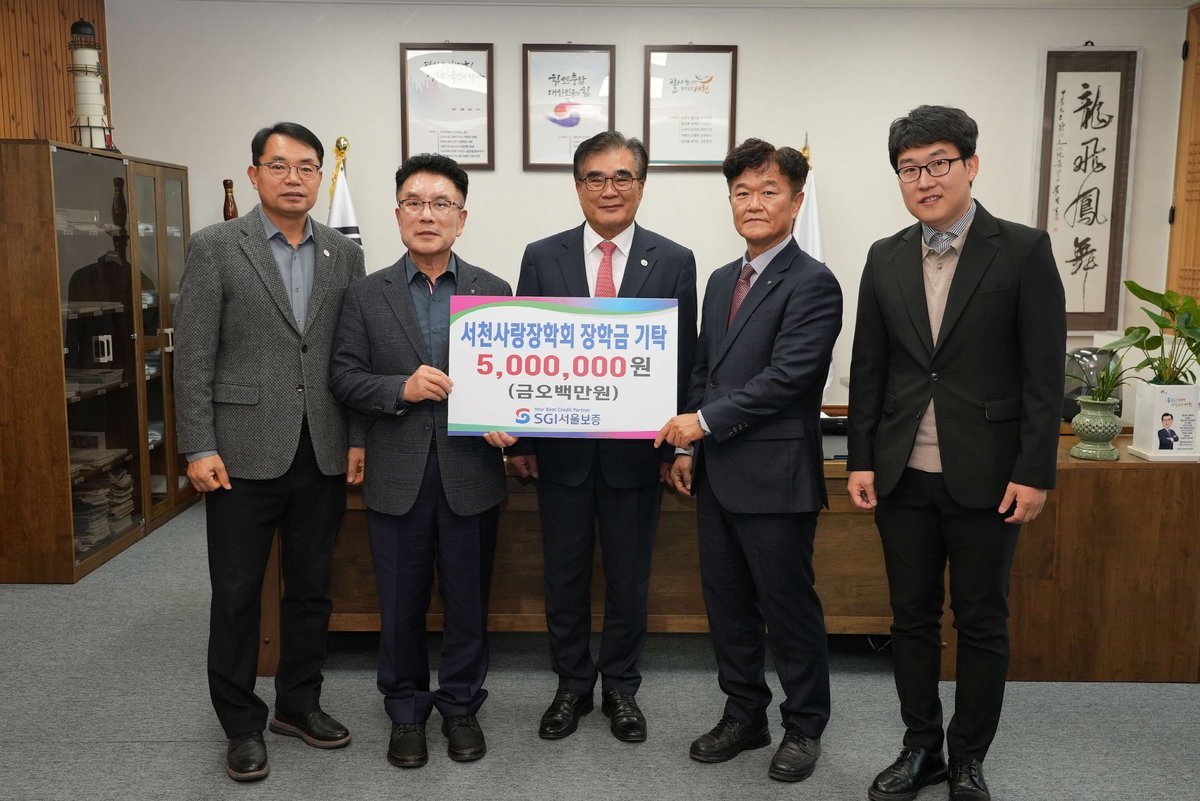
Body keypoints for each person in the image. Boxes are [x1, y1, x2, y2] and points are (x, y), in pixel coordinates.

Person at [847, 105, 1066, 801]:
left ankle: (969, 756)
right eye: (909, 168)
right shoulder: (884, 256)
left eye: (938, 162)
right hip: (903, 474)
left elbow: (1044, 374)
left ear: (971, 165)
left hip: (990, 475)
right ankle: (921, 748)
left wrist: (1034, 471)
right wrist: (860, 459)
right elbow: (870, 368)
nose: (924, 179)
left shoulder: (1023, 250)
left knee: (981, 622)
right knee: (910, 621)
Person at [174, 122, 366, 782]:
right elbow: (193, 355)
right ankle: (240, 722)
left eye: (307, 167)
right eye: (279, 165)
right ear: (255, 174)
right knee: (236, 592)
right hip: (239, 451)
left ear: (319, 177)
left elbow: (350, 356)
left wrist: (357, 437)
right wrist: (198, 443)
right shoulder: (216, 246)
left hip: (322, 447)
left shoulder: (344, 253)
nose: (294, 178)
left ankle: (298, 703)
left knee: (312, 588)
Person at [657, 138, 842, 782]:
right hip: (717, 475)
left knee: (787, 609)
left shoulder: (814, 282)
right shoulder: (720, 280)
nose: (754, 203)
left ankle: (804, 725)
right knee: (728, 606)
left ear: (796, 201)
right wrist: (687, 447)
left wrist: (702, 423)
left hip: (776, 478)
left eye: (769, 191)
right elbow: (704, 369)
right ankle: (744, 713)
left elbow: (789, 378)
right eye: (742, 192)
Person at [507, 131, 697, 743]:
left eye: (622, 177)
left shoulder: (675, 260)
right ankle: (571, 684)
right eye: (595, 177)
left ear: (640, 185)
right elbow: (525, 351)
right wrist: (524, 444)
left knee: (629, 577)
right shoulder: (543, 256)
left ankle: (621, 685)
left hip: (638, 457)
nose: (609, 189)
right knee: (563, 576)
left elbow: (685, 361)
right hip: (559, 456)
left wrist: (680, 446)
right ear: (578, 185)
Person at [329, 153, 513, 769]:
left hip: (472, 471)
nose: (427, 215)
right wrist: (399, 390)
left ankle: (460, 705)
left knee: (468, 600)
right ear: (397, 214)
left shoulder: (494, 290)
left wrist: (510, 421)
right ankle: (405, 710)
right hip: (397, 470)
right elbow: (344, 376)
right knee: (400, 602)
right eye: (414, 202)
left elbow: (514, 378)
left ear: (462, 217)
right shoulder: (365, 293)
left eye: (441, 204)